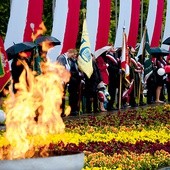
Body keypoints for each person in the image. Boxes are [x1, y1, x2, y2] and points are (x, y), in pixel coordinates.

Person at [57, 48, 81, 116]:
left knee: (64, 95)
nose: (73, 56)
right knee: (61, 95)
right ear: (70, 53)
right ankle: (60, 111)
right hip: (61, 79)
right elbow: (61, 68)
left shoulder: (68, 59)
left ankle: (63, 111)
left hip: (66, 79)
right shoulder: (62, 58)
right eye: (73, 54)